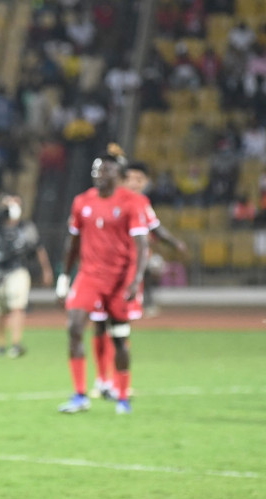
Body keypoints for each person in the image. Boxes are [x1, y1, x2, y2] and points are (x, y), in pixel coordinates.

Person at [56, 154, 149, 415]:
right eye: (96, 169)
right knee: (75, 327)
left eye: (105, 170)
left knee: (119, 337)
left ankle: (122, 396)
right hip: (89, 276)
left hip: (118, 280)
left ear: (117, 174)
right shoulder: (82, 201)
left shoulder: (131, 202)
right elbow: (72, 244)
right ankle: (80, 395)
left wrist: (135, 280)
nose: (99, 174)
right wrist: (64, 278)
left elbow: (142, 246)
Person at [89, 158, 190, 397]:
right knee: (99, 325)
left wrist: (174, 243)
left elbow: (155, 228)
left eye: (140, 179)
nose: (135, 183)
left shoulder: (140, 203)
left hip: (125, 274)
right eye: (131, 178)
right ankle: (102, 380)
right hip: (99, 273)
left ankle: (119, 383)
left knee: (119, 328)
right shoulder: (102, 199)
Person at [0, 195, 53, 358]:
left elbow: (39, 248)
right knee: (0, 311)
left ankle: (16, 343)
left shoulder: (26, 227)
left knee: (17, 307)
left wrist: (46, 270)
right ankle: (1, 345)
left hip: (18, 269)